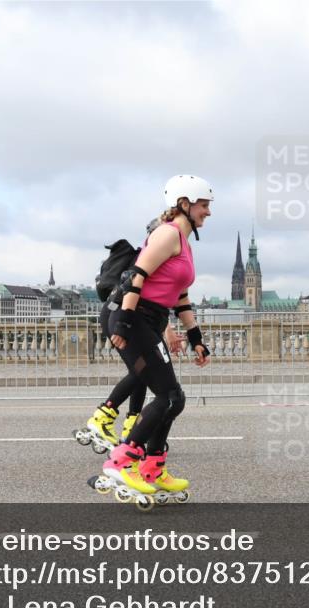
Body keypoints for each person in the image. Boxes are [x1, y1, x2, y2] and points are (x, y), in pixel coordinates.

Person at [102, 175, 213, 497]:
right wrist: (122, 323)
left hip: (149, 319)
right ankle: (121, 463)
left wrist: (196, 339)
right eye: (204, 205)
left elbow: (180, 297)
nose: (208, 212)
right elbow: (136, 277)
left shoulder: (184, 241)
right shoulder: (167, 234)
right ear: (184, 204)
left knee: (172, 399)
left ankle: (152, 467)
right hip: (133, 316)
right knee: (168, 397)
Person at [85, 219, 185, 449]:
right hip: (123, 317)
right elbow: (141, 299)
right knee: (141, 370)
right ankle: (104, 417)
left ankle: (128, 423)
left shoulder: (159, 258)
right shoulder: (153, 258)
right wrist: (165, 331)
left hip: (120, 315)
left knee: (140, 371)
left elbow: (155, 304)